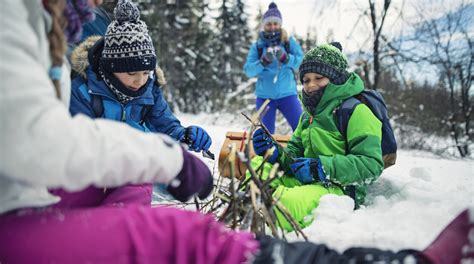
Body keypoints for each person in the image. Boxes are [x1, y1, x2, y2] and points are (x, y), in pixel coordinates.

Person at [0, 1, 470, 263]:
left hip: (335, 178)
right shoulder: (58, 57)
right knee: (249, 176)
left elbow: (361, 161)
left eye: (315, 80)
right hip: (40, 186)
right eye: (307, 80)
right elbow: (41, 138)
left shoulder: (345, 105)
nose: (310, 86)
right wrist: (281, 154)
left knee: (279, 191)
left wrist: (185, 138)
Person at [65, 0, 212, 205]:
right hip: (97, 174)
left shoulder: (149, 89)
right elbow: (80, 146)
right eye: (132, 72)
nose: (140, 80)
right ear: (110, 67)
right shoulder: (83, 91)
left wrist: (184, 135)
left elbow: (165, 124)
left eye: (145, 72)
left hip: (138, 171)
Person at [251, 42, 385, 231]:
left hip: (339, 188)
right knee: (258, 166)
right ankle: (254, 201)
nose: (311, 85)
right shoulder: (308, 115)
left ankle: (262, 204)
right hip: (308, 180)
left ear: (335, 78)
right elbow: (294, 154)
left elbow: (372, 165)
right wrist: (275, 154)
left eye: (319, 78)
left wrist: (322, 168)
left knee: (283, 205)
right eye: (305, 80)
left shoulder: (356, 111)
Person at [243, 2, 304, 134]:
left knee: (301, 129)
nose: (272, 27)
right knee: (266, 135)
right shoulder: (258, 46)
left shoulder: (288, 42)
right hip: (265, 97)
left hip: (288, 94)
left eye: (275, 23)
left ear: (280, 24)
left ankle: (302, 153)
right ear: (264, 25)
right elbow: (248, 70)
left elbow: (302, 62)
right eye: (269, 24)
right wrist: (263, 62)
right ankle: (268, 155)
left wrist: (287, 59)